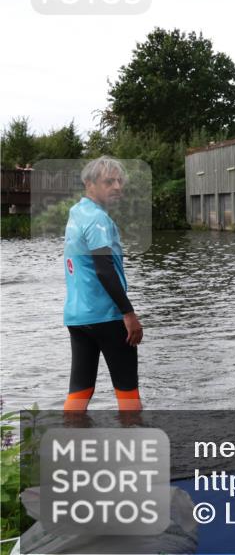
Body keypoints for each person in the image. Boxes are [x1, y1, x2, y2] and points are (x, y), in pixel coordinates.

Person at [63, 156, 143, 411]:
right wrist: (128, 313)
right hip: (107, 316)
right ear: (89, 184)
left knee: (81, 388)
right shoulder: (97, 219)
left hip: (77, 316)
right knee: (127, 389)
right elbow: (104, 270)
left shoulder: (77, 212)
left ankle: (67, 444)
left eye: (120, 181)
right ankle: (136, 445)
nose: (118, 186)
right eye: (109, 181)